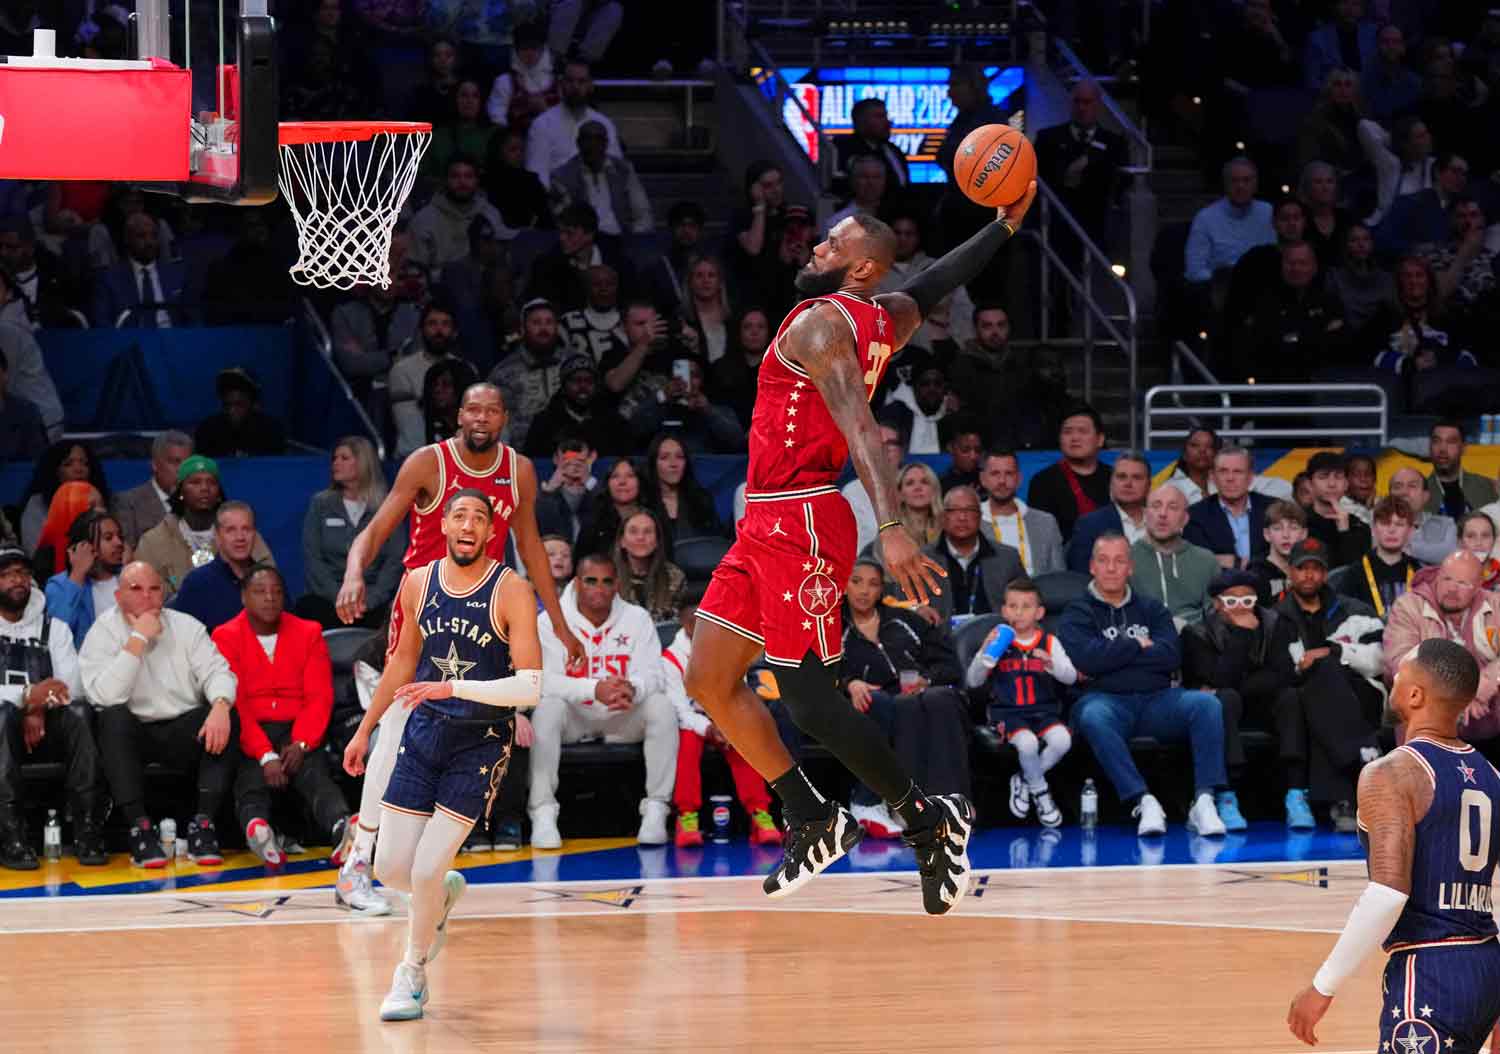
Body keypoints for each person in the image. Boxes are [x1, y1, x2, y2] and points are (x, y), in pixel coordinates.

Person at [685, 186, 1038, 915]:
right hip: (765, 522)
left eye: (834, 244)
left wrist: (891, 525)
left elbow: (860, 426)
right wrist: (1001, 228)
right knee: (710, 678)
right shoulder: (880, 316)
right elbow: (932, 283)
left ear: (861, 269)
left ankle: (926, 820)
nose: (817, 246)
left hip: (807, 520)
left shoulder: (820, 327)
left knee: (811, 700)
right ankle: (813, 817)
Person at [330, 382, 584, 916]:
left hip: (484, 613)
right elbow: (377, 530)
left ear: (505, 418)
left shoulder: (519, 471)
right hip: (425, 606)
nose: (482, 417)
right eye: (473, 407)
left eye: (492, 409)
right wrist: (354, 573)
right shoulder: (428, 463)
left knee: (466, 726)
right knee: (395, 728)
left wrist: (559, 623)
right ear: (459, 415)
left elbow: (531, 547)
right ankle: (357, 862)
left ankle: (415, 857)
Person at [341, 489, 543, 1023]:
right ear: (443, 526)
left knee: (428, 867)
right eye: (459, 515)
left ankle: (411, 973)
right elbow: (402, 664)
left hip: (481, 740)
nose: (469, 524)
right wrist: (365, 731)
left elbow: (531, 688)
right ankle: (441, 895)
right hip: (425, 729)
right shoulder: (417, 584)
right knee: (390, 868)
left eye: (480, 517)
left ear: (490, 531)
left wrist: (455, 690)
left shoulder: (511, 590)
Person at [1287, 640, 1500, 1054]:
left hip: (1430, 967)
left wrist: (1322, 985)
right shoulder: (1492, 775)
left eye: (1400, 675)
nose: (1393, 681)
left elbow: (1386, 895)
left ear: (1416, 695)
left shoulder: (1392, 773)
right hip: (1488, 964)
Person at [1059, 533, 1231, 837]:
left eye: (1119, 560)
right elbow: (1086, 660)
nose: (1111, 568)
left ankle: (1204, 801)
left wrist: (1111, 656)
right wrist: (1138, 645)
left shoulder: (1153, 609)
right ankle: (1144, 801)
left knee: (1206, 705)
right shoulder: (1076, 612)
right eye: (1104, 560)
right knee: (1092, 716)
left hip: (1159, 699)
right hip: (1106, 700)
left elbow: (1169, 657)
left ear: (1131, 568)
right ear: (1092, 567)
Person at [78, 562, 236, 868]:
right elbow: (105, 696)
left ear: (163, 594)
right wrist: (137, 640)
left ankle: (203, 825)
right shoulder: (103, 630)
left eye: (153, 589)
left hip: (181, 729)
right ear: (118, 595)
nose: (147, 597)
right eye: (136, 589)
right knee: (113, 718)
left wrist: (220, 704)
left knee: (226, 713)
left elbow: (219, 671)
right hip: (133, 734)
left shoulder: (187, 626)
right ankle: (140, 828)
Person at [528, 553, 676, 848]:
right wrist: (594, 689)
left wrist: (632, 688)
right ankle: (542, 812)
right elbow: (544, 681)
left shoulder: (637, 618)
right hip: (575, 716)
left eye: (607, 581)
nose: (599, 588)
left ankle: (656, 808)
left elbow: (655, 674)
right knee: (546, 709)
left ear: (617, 586)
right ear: (577, 583)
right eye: (591, 581)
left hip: (622, 713)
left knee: (661, 706)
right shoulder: (550, 622)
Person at [214, 565, 351, 870]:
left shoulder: (308, 632)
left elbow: (319, 696)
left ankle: (342, 826)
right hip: (253, 729)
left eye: (277, 592)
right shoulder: (225, 636)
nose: (270, 599)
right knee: (250, 769)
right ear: (243, 597)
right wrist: (265, 755)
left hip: (297, 727)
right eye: (260, 592)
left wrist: (301, 743)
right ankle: (258, 828)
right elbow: (238, 705)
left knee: (313, 769)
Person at [840, 559, 971, 839]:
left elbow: (948, 664)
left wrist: (928, 679)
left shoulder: (906, 619)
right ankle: (911, 810)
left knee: (940, 699)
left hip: (925, 689)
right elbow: (824, 669)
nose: (864, 590)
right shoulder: (832, 628)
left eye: (873, 584)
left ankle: (954, 805)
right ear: (843, 585)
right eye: (856, 581)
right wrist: (849, 682)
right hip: (881, 699)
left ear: (882, 591)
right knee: (903, 706)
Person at [0, 545, 104, 869]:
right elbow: (38, 691)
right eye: (6, 575)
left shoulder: (53, 628)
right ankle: (10, 833)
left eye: (22, 573)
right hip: (5, 731)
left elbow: (71, 686)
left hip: (47, 727)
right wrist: (29, 696)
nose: (17, 580)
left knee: (80, 714)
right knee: (1, 715)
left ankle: (87, 826)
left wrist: (38, 707)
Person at [1183, 570, 1312, 830]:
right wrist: (1242, 635)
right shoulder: (1196, 632)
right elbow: (1217, 679)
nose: (1240, 608)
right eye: (1231, 602)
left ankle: (1296, 794)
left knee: (1290, 697)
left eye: (1247, 601)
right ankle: (1227, 797)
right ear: (1217, 604)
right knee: (1225, 699)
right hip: (1227, 709)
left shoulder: (1276, 624)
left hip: (1265, 704)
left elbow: (1285, 675)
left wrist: (1235, 682)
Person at [1273, 538, 1388, 831]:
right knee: (1316, 695)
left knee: (1327, 675)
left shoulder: (1355, 609)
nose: (1308, 575)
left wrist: (1334, 652)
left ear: (1326, 574)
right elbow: (1280, 669)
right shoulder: (1274, 615)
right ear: (1290, 571)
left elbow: (1379, 659)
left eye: (1316, 568)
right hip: (1302, 692)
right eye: (1302, 568)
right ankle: (1352, 781)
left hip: (1358, 690)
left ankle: (1342, 795)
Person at [664, 593, 782, 848]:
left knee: (745, 741)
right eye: (696, 622)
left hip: (726, 719)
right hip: (693, 723)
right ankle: (687, 815)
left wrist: (728, 725)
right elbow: (680, 711)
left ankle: (760, 813)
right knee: (687, 741)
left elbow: (739, 695)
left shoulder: (730, 651)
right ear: (684, 623)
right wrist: (708, 728)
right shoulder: (670, 659)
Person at [968, 577, 1077, 829]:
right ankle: (1041, 793)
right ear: (1004, 610)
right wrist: (985, 652)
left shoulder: (1050, 642)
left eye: (1026, 606)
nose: (1019, 612)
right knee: (1027, 743)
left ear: (1039, 612)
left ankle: (1025, 781)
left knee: (1063, 741)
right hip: (1009, 713)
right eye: (1013, 606)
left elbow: (1070, 676)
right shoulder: (998, 641)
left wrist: (1051, 664)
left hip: (1044, 710)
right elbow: (973, 681)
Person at [1383, 551, 1500, 745]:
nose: (1453, 589)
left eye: (1463, 584)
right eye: (1447, 579)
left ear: (1478, 587)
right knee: (1411, 691)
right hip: (1431, 706)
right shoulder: (1409, 606)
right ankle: (1415, 771)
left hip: (1487, 710)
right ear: (1437, 576)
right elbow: (1398, 664)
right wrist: (1466, 693)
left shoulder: (1495, 604)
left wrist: (1489, 681)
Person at [298, 437, 405, 630]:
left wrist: (371, 600)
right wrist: (340, 598)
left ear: (363, 462)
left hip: (373, 600)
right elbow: (313, 559)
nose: (336, 463)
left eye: (344, 458)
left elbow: (394, 561)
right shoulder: (321, 504)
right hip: (328, 599)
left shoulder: (386, 507)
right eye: (335, 458)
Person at [133, 456, 272, 601]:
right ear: (180, 492)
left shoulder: (243, 535)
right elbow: (144, 595)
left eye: (211, 482)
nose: (204, 488)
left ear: (219, 493)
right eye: (195, 482)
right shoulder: (152, 541)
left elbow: (270, 580)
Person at [916, 486, 1022, 623]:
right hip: (938, 640)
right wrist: (917, 608)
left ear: (980, 516)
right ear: (943, 516)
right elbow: (902, 601)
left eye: (970, 510)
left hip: (996, 638)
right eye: (954, 510)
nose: (962, 517)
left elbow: (1027, 600)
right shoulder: (921, 560)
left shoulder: (1007, 558)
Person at [167, 501, 271, 633]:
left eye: (246, 529)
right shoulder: (197, 584)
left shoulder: (269, 579)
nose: (240, 537)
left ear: (254, 534)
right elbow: (183, 641)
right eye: (231, 530)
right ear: (217, 536)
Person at [1130, 484, 1220, 628]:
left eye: (1172, 507)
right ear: (1146, 515)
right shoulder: (1125, 559)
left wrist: (1183, 626)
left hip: (1195, 642)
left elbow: (1215, 614)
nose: (1163, 513)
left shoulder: (1206, 560)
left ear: (1185, 519)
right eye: (1156, 506)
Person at [1026, 405, 1112, 542]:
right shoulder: (1043, 482)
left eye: (1083, 431)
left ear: (1100, 439)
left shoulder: (1115, 478)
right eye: (1067, 432)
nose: (1075, 437)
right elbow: (1040, 540)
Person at [1329, 496, 1420, 620]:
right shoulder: (1354, 573)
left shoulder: (1420, 574)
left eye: (1399, 524)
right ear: (1373, 528)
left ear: (1410, 531)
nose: (1391, 530)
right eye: (1385, 523)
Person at [44, 509, 126, 647]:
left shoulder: (129, 576)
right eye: (108, 538)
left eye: (119, 536)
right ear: (85, 546)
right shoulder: (59, 585)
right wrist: (77, 575)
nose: (119, 543)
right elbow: (57, 637)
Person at [978, 450, 1065, 576]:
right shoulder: (973, 523)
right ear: (983, 479)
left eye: (1009, 473)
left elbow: (1058, 575)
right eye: (995, 473)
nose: (1002, 481)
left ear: (1019, 479)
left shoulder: (1046, 522)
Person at [1065, 452, 1151, 573]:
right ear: (1111, 484)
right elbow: (1081, 576)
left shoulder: (1161, 522)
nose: (1128, 483)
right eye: (1121, 477)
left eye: (1136, 477)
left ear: (1148, 486)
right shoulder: (1089, 525)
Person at [19, 440, 109, 553]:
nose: (79, 469)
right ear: (54, 471)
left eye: (84, 463)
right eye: (68, 464)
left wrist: (99, 509)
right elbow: (35, 553)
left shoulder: (99, 500)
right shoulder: (37, 504)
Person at [112, 431, 192, 547]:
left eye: (187, 464)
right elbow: (126, 551)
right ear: (154, 464)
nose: (182, 470)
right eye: (174, 462)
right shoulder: (128, 503)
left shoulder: (200, 501)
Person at [640, 432, 721, 544]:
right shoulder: (642, 502)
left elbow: (714, 543)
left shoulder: (702, 500)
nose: (673, 464)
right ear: (653, 464)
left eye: (679, 457)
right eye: (664, 458)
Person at [194, 368, 287, 458]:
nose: (231, 410)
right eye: (227, 405)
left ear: (254, 404)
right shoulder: (207, 431)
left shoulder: (272, 431)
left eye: (239, 404)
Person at [612, 509, 686, 621]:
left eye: (647, 532)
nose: (641, 537)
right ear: (622, 541)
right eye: (633, 531)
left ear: (657, 541)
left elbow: (675, 626)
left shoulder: (674, 577)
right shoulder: (607, 575)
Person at [1303, 451, 1372, 568]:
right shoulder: (1298, 524)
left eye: (1338, 476)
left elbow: (1359, 574)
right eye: (1323, 477)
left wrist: (1344, 531)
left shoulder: (1360, 527)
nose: (1331, 484)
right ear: (1309, 484)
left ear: (1346, 484)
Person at [1389, 466, 1460, 566]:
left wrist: (1404, 546)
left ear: (1426, 496)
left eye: (1412, 486)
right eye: (1397, 487)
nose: (1404, 492)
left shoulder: (1446, 524)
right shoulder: (1376, 525)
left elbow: (1451, 555)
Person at [1426, 420, 1495, 520]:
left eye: (1451, 442)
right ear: (1430, 447)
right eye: (1436, 441)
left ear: (1463, 448)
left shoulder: (1486, 486)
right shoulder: (1418, 491)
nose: (1442, 448)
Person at [575, 456, 642, 559]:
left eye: (630, 475)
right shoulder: (593, 521)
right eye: (615, 476)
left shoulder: (653, 517)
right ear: (607, 483)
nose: (622, 482)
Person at [1249, 500, 1309, 606]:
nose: (1286, 535)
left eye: (1293, 528)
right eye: (1278, 528)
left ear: (1304, 534)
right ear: (1267, 534)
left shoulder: (1312, 568)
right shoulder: (1255, 574)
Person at [1458, 512, 1500, 590]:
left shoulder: (1498, 571)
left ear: (1494, 540)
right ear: (1460, 542)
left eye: (1485, 535)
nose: (1478, 543)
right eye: (1471, 536)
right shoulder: (1449, 575)